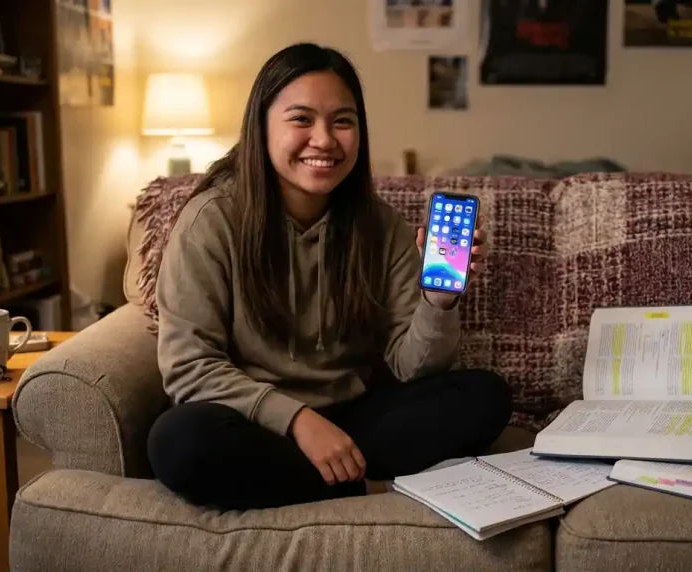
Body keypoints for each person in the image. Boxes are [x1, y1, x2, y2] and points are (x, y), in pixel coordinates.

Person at [146, 42, 512, 511]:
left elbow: (412, 368)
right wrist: (298, 421)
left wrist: (437, 302)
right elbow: (189, 367)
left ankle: (307, 480)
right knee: (178, 442)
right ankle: (356, 485)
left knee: (484, 396)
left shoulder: (378, 225)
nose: (324, 139)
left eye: (342, 121)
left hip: (353, 420)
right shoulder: (210, 222)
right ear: (261, 127)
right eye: (301, 119)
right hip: (251, 417)